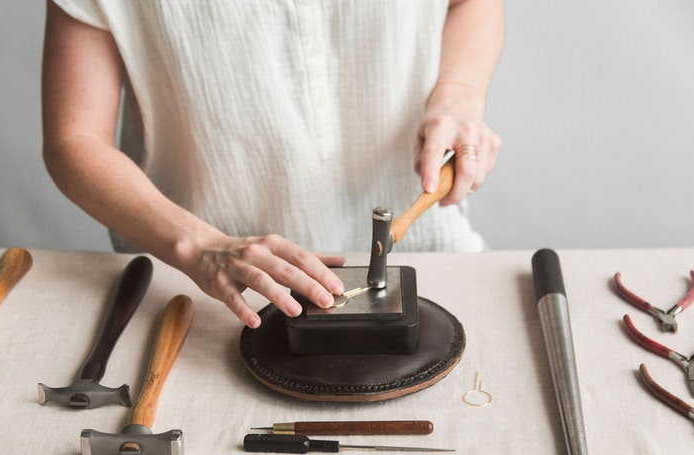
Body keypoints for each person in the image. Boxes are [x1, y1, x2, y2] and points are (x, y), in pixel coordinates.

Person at [41, 0, 504, 329]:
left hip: (437, 260)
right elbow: (74, 139)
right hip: (205, 295)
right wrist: (199, 245)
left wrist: (459, 94)